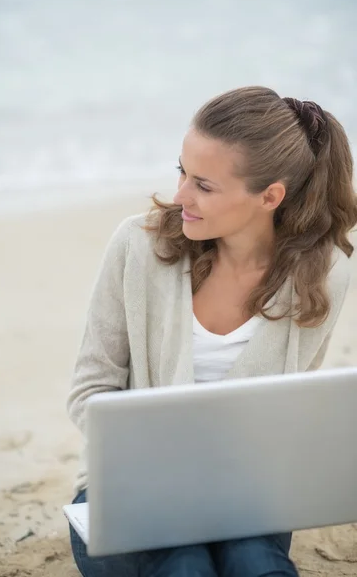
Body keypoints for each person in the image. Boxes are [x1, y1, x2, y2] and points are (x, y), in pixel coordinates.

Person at [66, 86, 357, 577]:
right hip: (131, 486)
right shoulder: (137, 247)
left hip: (245, 492)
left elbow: (287, 408)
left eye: (203, 185)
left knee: (258, 565)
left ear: (270, 196)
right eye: (182, 171)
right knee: (185, 567)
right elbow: (90, 390)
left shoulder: (323, 274)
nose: (180, 196)